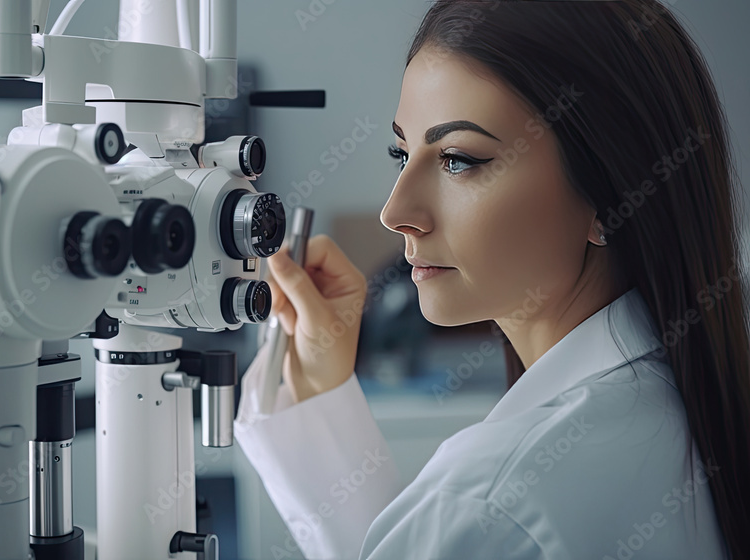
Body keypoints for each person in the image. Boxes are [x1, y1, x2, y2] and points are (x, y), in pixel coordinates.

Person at [233, 1, 750, 559]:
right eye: (400, 152)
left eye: (458, 160)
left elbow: (477, 523)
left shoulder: (494, 503)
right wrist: (319, 386)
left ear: (609, 197)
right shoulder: (686, 407)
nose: (395, 210)